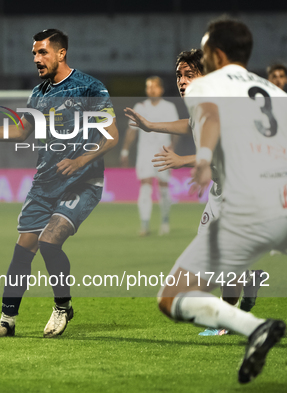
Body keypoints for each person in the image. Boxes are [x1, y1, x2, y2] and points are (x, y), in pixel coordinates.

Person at [0, 29, 118, 338]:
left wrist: (79, 161)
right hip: (45, 183)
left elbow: (112, 135)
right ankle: (6, 322)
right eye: (34, 53)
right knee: (22, 251)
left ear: (61, 53)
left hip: (83, 181)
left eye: (42, 53)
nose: (36, 59)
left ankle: (62, 305)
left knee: (50, 240)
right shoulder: (39, 94)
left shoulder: (90, 87)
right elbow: (20, 133)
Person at [158, 17, 286, 384]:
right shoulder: (276, 93)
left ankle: (254, 326)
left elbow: (209, 119)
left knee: (172, 296)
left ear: (215, 53)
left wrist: (201, 158)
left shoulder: (204, 86)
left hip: (245, 211)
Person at [125, 49, 265, 336]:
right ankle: (247, 283)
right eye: (179, 75)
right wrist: (151, 127)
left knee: (213, 262)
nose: (182, 80)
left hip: (239, 194)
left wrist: (183, 160)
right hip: (219, 193)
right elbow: (190, 125)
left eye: (190, 74)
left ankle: (229, 322)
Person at [120, 77, 178, 236]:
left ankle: (165, 221)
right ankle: (145, 225)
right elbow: (132, 130)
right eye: (148, 87)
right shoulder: (140, 107)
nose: (151, 90)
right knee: (145, 186)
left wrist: (173, 147)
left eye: (154, 87)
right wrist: (125, 150)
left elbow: (176, 129)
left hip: (163, 152)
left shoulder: (169, 107)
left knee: (163, 187)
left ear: (161, 89)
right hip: (145, 153)